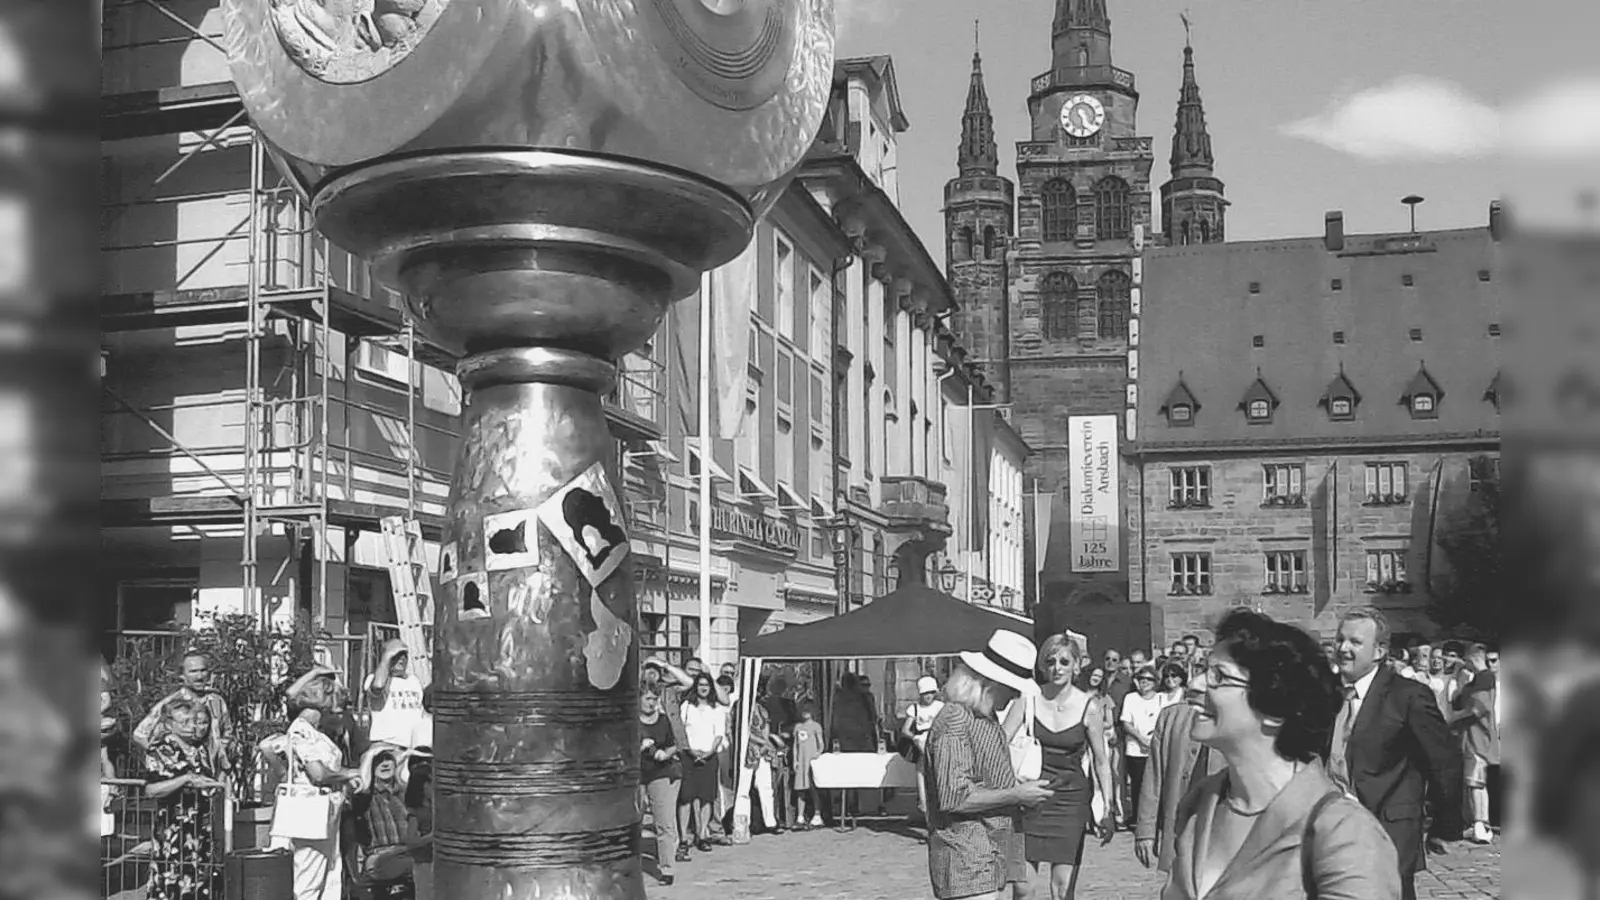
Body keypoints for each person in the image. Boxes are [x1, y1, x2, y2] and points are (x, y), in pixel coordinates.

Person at [1160, 609, 1401, 900]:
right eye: (1202, 670)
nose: (1196, 685)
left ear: (1274, 709)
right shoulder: (1201, 804)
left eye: (1219, 676)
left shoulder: (1342, 831)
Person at [1329, 608, 1462, 900]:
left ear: (1379, 651)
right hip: (1335, 829)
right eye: (1339, 640)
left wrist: (1444, 825)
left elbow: (1444, 761)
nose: (1343, 648)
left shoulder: (1407, 696)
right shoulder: (1328, 696)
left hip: (1388, 826)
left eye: (1354, 642)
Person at [924, 630, 1055, 900]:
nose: (1017, 695)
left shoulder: (984, 718)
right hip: (963, 855)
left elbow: (983, 779)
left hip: (986, 852)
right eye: (1013, 686)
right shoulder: (956, 720)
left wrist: (1018, 790)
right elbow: (954, 796)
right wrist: (1016, 794)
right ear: (991, 683)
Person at [1014, 633, 1114, 900]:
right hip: (1031, 797)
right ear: (1042, 666)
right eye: (1050, 661)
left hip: (1070, 801)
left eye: (1064, 661)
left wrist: (1108, 806)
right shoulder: (1028, 699)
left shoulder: (1089, 707)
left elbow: (1101, 761)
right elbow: (999, 744)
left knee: (1062, 887)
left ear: (1076, 665)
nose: (1057, 667)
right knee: (1023, 887)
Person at [271, 665, 362, 900]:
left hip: (326, 811)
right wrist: (349, 774)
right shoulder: (301, 730)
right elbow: (318, 773)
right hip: (308, 811)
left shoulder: (318, 732)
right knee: (308, 880)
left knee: (329, 874)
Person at [1134, 676, 1225, 873]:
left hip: (1224, 830)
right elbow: (1153, 778)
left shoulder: (1247, 718)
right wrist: (1146, 831)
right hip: (1181, 826)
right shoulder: (1172, 718)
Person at [142, 700, 225, 900]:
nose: (191, 727)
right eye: (184, 723)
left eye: (192, 722)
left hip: (200, 828)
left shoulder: (199, 749)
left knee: (200, 881)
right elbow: (151, 790)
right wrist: (185, 780)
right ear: (169, 724)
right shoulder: (160, 750)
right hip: (174, 828)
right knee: (172, 881)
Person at [134, 651, 233, 773]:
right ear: (182, 675)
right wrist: (166, 759)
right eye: (193, 671)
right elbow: (140, 735)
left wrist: (219, 757)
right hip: (181, 777)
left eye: (203, 670)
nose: (199, 676)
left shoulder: (217, 701)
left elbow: (226, 734)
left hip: (211, 775)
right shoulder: (171, 703)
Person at [677, 671, 726, 857]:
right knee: (686, 797)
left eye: (706, 685)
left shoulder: (717, 709)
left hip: (709, 756)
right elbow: (680, 730)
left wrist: (709, 751)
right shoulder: (687, 707)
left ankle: (702, 834)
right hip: (688, 756)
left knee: (707, 797)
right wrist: (690, 750)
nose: (703, 688)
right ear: (695, 687)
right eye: (700, 685)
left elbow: (719, 734)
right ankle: (683, 838)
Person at [637, 685, 681, 885]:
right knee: (633, 821)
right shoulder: (631, 721)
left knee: (664, 822)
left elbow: (673, 744)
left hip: (660, 772)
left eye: (654, 698)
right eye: (647, 698)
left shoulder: (663, 720)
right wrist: (639, 747)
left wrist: (666, 753)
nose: (651, 702)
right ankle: (630, 864)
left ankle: (667, 869)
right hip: (636, 774)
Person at [1119, 666, 1168, 829]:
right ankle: (1137, 817)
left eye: (1149, 679)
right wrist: (1140, 739)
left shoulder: (1162, 698)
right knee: (1137, 784)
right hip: (1135, 748)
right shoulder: (1131, 698)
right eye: (1141, 679)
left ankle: (1156, 817)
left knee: (1157, 784)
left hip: (1156, 747)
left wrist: (1153, 740)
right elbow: (1126, 722)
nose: (1145, 682)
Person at [364, 640, 425, 751]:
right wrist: (387, 656)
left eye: (404, 655)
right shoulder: (373, 679)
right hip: (388, 745)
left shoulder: (414, 680)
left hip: (413, 747)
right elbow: (378, 686)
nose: (402, 658)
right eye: (397, 655)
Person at [902, 675, 946, 817]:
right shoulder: (914, 708)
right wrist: (915, 737)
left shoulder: (941, 707)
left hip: (938, 742)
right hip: (922, 741)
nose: (929, 696)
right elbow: (905, 730)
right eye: (926, 693)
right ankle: (924, 804)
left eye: (931, 693)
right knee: (922, 773)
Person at [792, 701, 827, 828]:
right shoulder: (798, 727)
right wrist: (795, 760)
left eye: (808, 709)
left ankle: (817, 814)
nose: (805, 712)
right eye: (803, 709)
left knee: (814, 788)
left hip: (811, 762)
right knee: (800, 789)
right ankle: (800, 816)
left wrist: (818, 753)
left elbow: (821, 743)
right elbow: (795, 745)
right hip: (801, 762)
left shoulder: (816, 726)